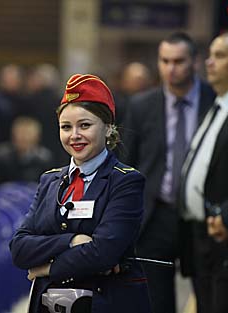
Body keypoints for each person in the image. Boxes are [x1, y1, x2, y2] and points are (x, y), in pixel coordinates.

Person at [10, 74, 151, 313]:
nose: (74, 135)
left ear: (108, 128)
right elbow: (20, 248)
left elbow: (103, 253)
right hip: (51, 305)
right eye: (66, 127)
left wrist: (46, 268)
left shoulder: (125, 181)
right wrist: (72, 241)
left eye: (84, 125)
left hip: (105, 303)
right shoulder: (50, 180)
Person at [122, 32, 215, 313]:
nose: (171, 68)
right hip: (155, 215)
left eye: (179, 61)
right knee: (155, 303)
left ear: (195, 62)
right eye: (165, 61)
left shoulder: (215, 101)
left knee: (210, 298)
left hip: (202, 217)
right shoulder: (141, 105)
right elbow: (127, 163)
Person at [180, 31, 228, 313]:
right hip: (201, 235)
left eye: (220, 56)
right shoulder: (216, 103)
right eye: (210, 56)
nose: (209, 63)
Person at [0, 116, 53, 188]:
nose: (23, 137)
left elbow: (47, 187)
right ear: (13, 135)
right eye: (20, 133)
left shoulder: (44, 159)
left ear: (37, 137)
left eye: (28, 134)